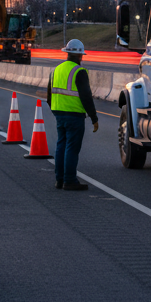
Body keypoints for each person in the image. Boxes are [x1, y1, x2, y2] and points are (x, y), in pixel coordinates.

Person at [47, 39, 99, 190]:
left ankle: (59, 180)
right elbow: (86, 96)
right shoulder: (79, 71)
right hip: (74, 115)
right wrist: (94, 118)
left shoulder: (56, 70)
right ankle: (69, 181)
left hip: (59, 113)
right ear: (80, 56)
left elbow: (49, 94)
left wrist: (55, 109)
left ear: (67, 53)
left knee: (61, 145)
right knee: (72, 148)